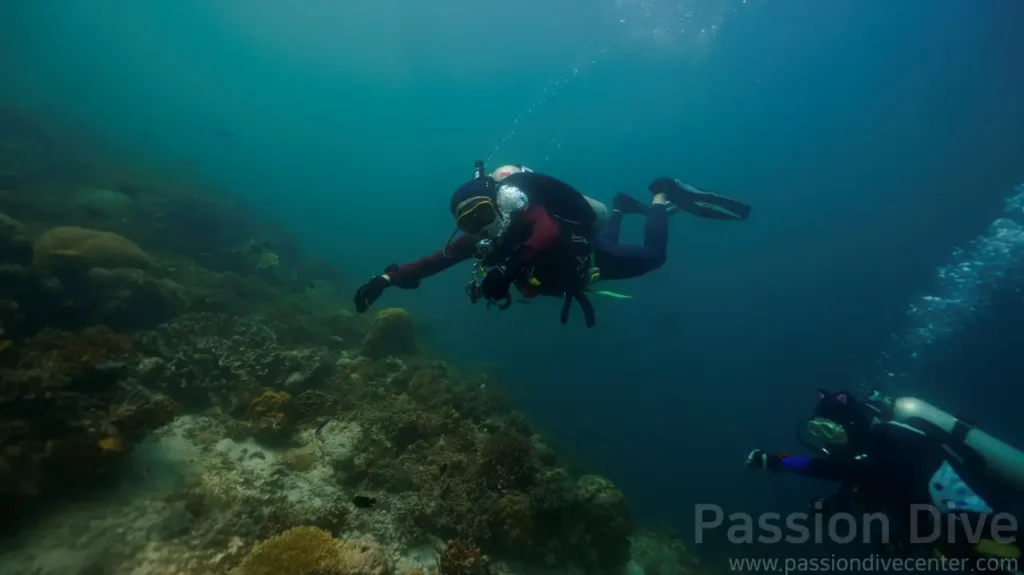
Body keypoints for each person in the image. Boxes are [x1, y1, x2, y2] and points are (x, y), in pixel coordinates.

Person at [353, 161, 751, 326]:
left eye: (482, 213)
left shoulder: (525, 213)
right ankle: (621, 208)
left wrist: (510, 266)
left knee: (653, 257)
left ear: (498, 202)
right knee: (602, 244)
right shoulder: (477, 238)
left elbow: (545, 232)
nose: (479, 226)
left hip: (584, 255)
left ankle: (662, 196)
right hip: (579, 264)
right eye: (468, 222)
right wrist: (387, 279)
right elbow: (432, 262)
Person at [746, 389, 1023, 571]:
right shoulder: (870, 456)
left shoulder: (889, 440)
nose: (825, 438)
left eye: (829, 428)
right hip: (962, 539)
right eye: (818, 430)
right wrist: (834, 505)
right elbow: (866, 488)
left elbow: (840, 471)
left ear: (850, 423)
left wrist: (777, 462)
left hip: (991, 526)